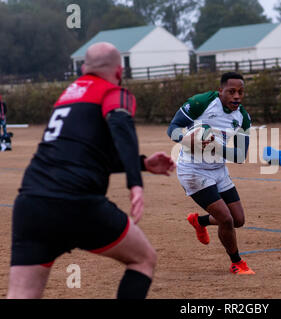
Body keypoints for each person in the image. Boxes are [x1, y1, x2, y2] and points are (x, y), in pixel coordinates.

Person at [7, 42, 176, 299]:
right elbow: (120, 124)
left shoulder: (67, 96)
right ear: (119, 72)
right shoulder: (113, 92)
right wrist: (135, 182)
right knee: (143, 259)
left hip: (31, 203)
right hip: (76, 203)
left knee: (21, 294)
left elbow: (82, 155)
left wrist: (141, 163)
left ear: (84, 68)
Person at [167, 72, 254, 275]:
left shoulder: (243, 117)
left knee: (238, 220)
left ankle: (200, 221)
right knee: (226, 220)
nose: (237, 96)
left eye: (240, 92)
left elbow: (240, 156)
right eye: (231, 91)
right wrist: (189, 139)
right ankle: (237, 263)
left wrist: (215, 146)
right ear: (220, 90)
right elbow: (172, 129)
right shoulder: (202, 102)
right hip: (193, 171)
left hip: (219, 171)